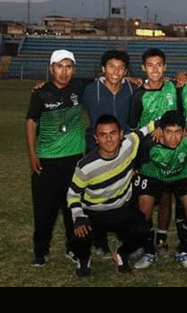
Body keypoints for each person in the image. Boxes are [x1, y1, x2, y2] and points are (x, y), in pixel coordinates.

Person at [26, 49, 91, 266]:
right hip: (47, 160)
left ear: (73, 69)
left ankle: (72, 249)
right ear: (51, 68)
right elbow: (31, 122)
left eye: (69, 66)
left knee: (71, 208)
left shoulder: (79, 87)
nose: (64, 72)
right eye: (60, 66)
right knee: (44, 210)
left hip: (74, 160)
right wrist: (33, 153)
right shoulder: (40, 93)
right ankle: (40, 252)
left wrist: (134, 78)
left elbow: (110, 77)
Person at [67, 114, 153, 277]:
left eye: (113, 133)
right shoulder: (85, 166)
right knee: (79, 235)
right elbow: (73, 193)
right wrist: (79, 217)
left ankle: (122, 254)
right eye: (102, 135)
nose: (108, 139)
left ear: (121, 134)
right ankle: (84, 259)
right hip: (94, 211)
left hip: (120, 208)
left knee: (143, 229)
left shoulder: (130, 143)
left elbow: (148, 128)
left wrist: (163, 126)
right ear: (96, 138)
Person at [81, 49, 137, 258]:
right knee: (96, 197)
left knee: (126, 196)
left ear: (126, 71)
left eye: (121, 68)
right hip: (96, 151)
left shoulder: (133, 88)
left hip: (124, 151)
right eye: (112, 67)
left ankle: (126, 237)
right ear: (103, 69)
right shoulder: (89, 90)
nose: (116, 71)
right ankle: (100, 241)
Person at [133, 110, 187, 270]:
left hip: (180, 175)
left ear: (185, 132)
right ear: (161, 132)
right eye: (169, 132)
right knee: (144, 212)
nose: (173, 137)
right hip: (154, 177)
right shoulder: (148, 143)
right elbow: (137, 164)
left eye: (178, 132)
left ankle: (184, 252)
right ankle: (149, 253)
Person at [129, 48, 180, 256]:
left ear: (165, 67)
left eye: (159, 65)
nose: (155, 69)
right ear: (143, 68)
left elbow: (180, 116)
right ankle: (143, 240)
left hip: (171, 154)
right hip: (147, 155)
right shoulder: (138, 95)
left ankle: (162, 239)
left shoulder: (174, 88)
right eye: (150, 65)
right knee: (146, 200)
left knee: (167, 197)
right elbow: (133, 129)